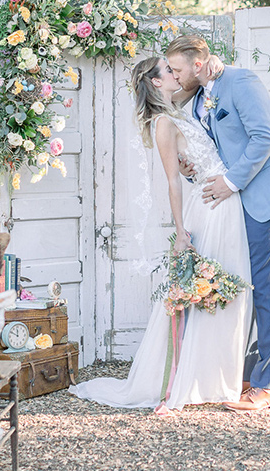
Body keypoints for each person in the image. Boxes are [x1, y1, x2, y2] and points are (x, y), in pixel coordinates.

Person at [69, 56, 253, 412]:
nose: (175, 73)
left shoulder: (183, 111)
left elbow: (195, 159)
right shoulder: (163, 123)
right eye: (168, 70)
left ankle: (218, 377)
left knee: (230, 292)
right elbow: (172, 180)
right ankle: (182, 382)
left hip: (226, 202)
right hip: (209, 209)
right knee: (204, 296)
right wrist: (181, 230)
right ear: (156, 82)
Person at [165, 34, 270, 413]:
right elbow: (216, 149)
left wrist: (228, 182)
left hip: (266, 198)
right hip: (235, 203)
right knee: (245, 284)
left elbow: (264, 138)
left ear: (197, 63)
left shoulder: (241, 82)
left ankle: (269, 385)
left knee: (267, 287)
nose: (174, 77)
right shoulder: (197, 98)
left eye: (177, 70)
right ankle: (249, 372)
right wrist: (195, 171)